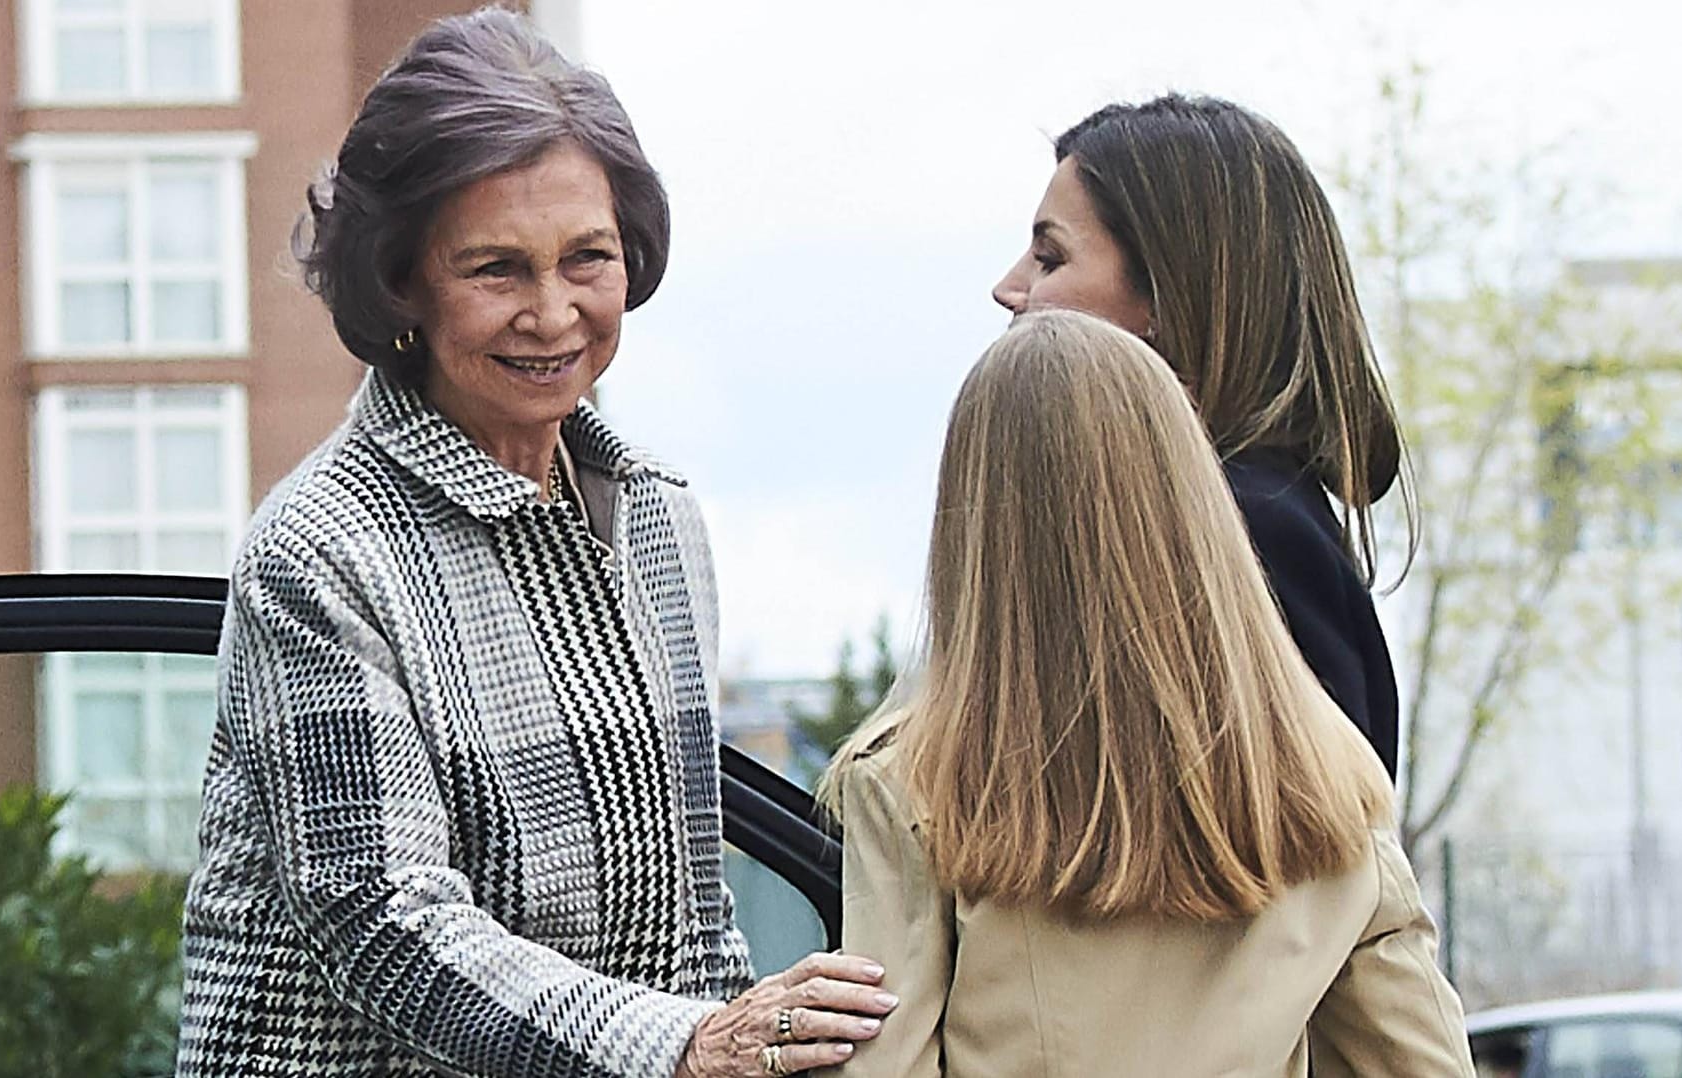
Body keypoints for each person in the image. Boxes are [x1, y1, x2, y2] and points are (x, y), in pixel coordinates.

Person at [174, 11, 893, 1077]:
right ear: (400, 282)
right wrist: (688, 1043)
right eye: (497, 269)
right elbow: (385, 921)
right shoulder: (319, 549)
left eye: (587, 258)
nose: (554, 313)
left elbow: (694, 915)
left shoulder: (658, 515)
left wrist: (744, 1032)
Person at [822, 310, 1472, 1077]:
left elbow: (881, 1066)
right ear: (1190, 493)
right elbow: (1419, 1058)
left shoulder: (915, 783)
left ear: (972, 520)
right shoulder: (1327, 777)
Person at [991, 94, 1409, 776]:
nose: (1008, 288)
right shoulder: (1219, 512)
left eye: (1049, 257)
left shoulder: (1244, 528)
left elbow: (1300, 848)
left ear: (1166, 297)